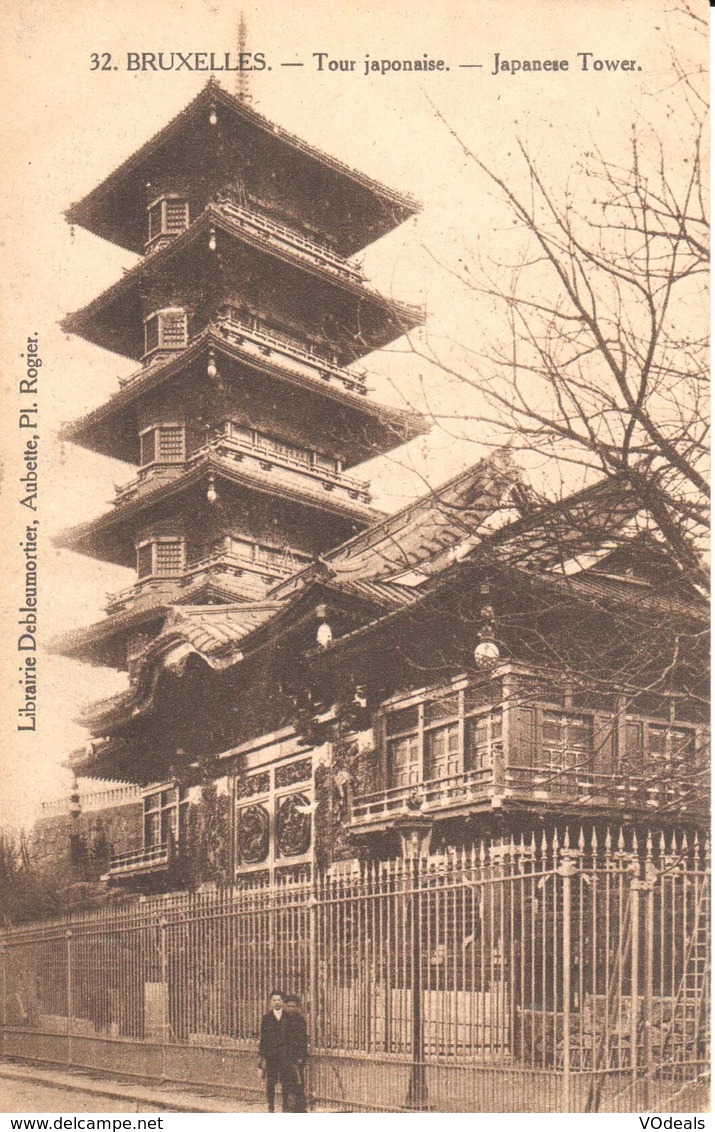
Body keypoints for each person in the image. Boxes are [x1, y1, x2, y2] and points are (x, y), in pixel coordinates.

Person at [258, 990, 303, 1113]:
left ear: (283, 1002)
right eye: (274, 1000)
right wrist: (262, 1056)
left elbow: (293, 1037)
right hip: (271, 1056)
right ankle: (271, 1106)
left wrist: (294, 1055)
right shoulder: (266, 1018)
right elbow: (264, 1038)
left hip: (285, 1056)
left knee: (286, 1083)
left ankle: (285, 1107)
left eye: (279, 1000)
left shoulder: (288, 1017)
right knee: (270, 1083)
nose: (276, 1002)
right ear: (270, 1002)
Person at [283, 993, 308, 1112]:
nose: (290, 1009)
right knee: (286, 1084)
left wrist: (300, 1057)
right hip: (285, 1057)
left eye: (293, 1006)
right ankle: (288, 1108)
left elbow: (303, 1040)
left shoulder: (300, 1020)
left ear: (297, 1007)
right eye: (288, 1006)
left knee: (297, 1083)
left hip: (296, 1057)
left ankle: (299, 1108)